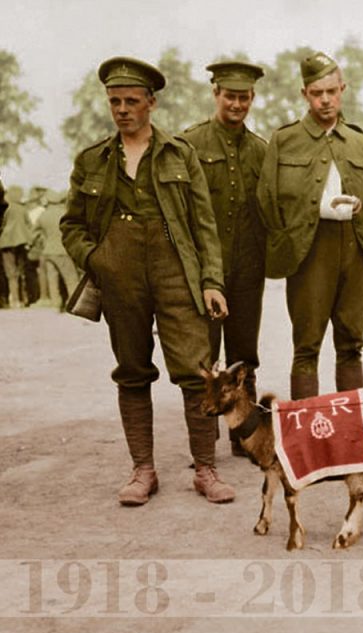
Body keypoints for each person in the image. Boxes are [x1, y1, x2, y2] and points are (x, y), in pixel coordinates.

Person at [60, 56, 235, 506]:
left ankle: (206, 469)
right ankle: (143, 470)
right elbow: (71, 224)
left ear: (151, 103)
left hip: (177, 271)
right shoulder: (92, 160)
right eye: (115, 101)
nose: (122, 109)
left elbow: (204, 226)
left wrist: (211, 281)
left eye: (132, 101)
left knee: (198, 372)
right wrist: (97, 260)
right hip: (121, 278)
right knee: (132, 372)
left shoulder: (180, 153)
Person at [257, 51, 363, 400]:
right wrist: (291, 245)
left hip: (356, 250)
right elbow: (266, 200)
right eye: (317, 93)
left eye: (332, 91)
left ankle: (351, 431)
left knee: (351, 342)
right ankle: (308, 439)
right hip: (309, 250)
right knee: (307, 344)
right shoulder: (284, 140)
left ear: (342, 89)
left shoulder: (359, 142)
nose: (326, 100)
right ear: (305, 94)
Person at [183, 61, 267, 457]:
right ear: (215, 94)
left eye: (244, 97)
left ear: (252, 98)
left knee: (244, 353)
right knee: (205, 356)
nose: (237, 104)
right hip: (205, 270)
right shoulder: (190, 145)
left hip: (249, 267)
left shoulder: (262, 150)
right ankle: (204, 447)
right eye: (230, 96)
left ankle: (244, 435)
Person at [31, 189, 80, 309]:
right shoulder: (65, 213)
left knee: (52, 279)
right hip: (62, 250)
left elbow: (34, 233)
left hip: (48, 251)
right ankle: (75, 304)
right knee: (71, 278)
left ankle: (55, 303)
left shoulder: (43, 215)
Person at [0, 185, 32, 308]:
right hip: (21, 242)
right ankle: (23, 299)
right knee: (20, 271)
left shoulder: (5, 207)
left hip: (6, 242)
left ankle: (14, 300)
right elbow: (29, 225)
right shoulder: (22, 208)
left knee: (10, 273)